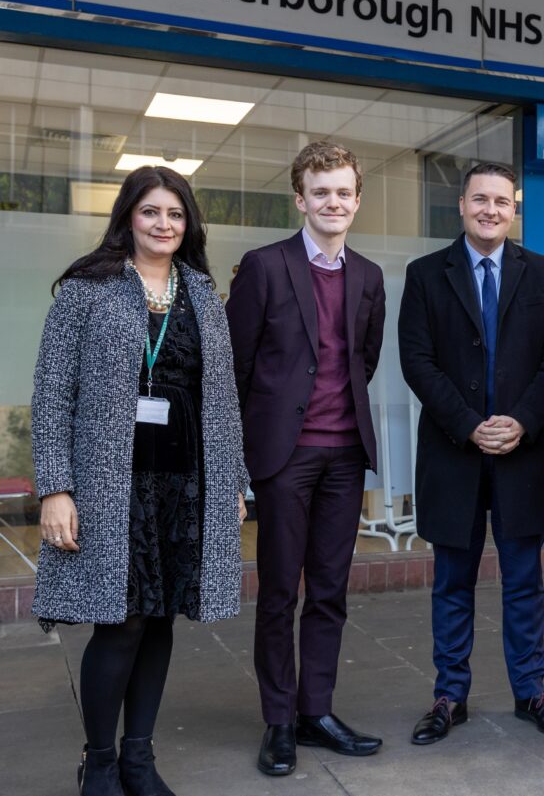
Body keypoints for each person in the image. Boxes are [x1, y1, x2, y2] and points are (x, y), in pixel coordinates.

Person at [31, 166, 248, 796]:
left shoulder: (203, 292)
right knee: (119, 621)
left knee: (160, 621)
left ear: (189, 224)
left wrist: (232, 480)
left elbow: (223, 397)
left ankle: (138, 759)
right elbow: (51, 394)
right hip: (109, 485)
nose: (164, 225)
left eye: (176, 214)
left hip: (183, 484)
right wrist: (55, 487)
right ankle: (98, 763)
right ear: (128, 216)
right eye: (151, 212)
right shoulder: (87, 287)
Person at [398, 162, 544, 745]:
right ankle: (450, 694)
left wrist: (521, 421)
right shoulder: (426, 274)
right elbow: (416, 361)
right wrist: (471, 426)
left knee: (525, 582)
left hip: (522, 454)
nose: (491, 210)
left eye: (502, 201)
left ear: (513, 209)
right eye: (480, 199)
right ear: (463, 206)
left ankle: (531, 691)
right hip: (454, 453)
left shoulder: (543, 273)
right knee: (452, 582)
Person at [225, 141, 386, 776]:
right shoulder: (264, 267)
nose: (333, 202)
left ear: (357, 199)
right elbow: (236, 368)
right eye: (321, 192)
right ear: (300, 199)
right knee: (277, 594)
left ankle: (315, 711)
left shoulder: (370, 276)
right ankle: (278, 720)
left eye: (344, 191)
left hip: (345, 453)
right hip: (282, 457)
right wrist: (237, 463)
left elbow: (362, 360)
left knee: (329, 591)